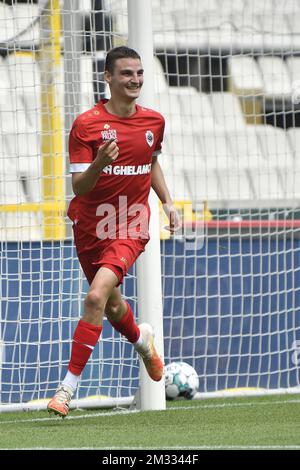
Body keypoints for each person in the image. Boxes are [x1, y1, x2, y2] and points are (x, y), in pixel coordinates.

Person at [47, 46, 181, 418]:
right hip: (91, 225)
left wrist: (168, 202)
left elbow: (150, 164)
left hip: (130, 224)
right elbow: (80, 188)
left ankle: (66, 389)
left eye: (139, 73)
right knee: (112, 303)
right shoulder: (87, 125)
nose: (135, 80)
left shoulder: (154, 121)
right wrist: (100, 164)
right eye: (126, 74)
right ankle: (142, 341)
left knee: (94, 297)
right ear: (108, 78)